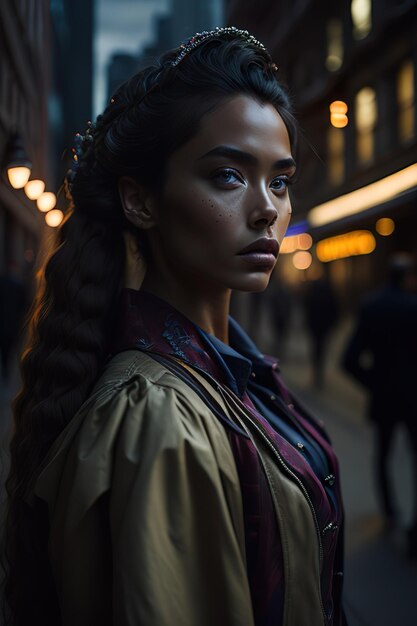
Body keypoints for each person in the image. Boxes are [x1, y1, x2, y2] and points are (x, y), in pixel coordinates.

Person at [1, 28, 347, 626]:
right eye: (230, 176)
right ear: (140, 201)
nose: (268, 208)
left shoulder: (226, 373)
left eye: (281, 180)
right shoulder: (155, 420)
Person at [343, 254, 417, 558]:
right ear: (408, 277)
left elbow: (349, 360)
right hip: (414, 398)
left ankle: (390, 513)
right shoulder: (414, 308)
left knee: (383, 455)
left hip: (384, 397)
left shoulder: (371, 306)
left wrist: (374, 384)